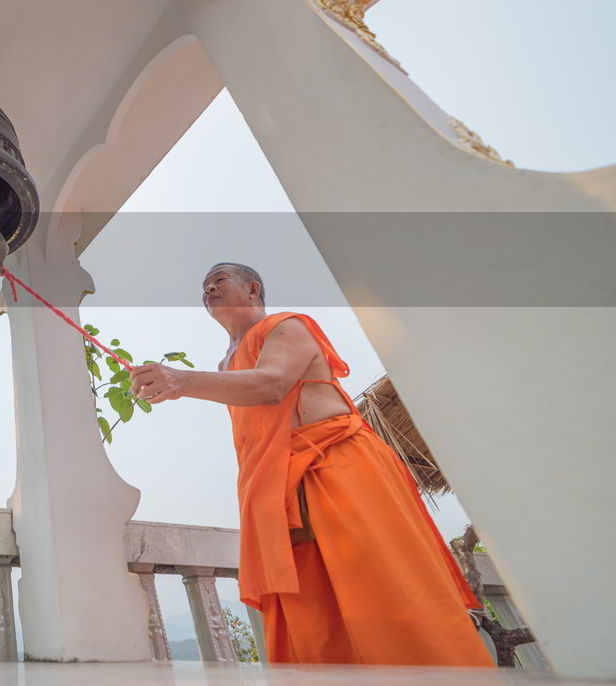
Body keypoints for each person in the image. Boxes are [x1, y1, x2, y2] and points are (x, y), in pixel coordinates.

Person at [129, 262, 493, 666]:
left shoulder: (286, 326)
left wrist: (181, 381)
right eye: (204, 286)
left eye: (219, 280)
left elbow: (271, 385)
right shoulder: (223, 365)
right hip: (277, 487)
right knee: (313, 607)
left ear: (253, 290)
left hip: (336, 464)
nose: (209, 289)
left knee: (382, 586)